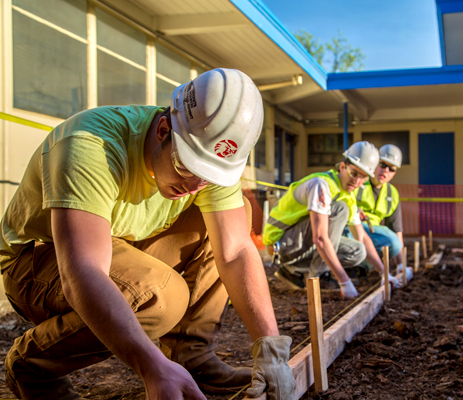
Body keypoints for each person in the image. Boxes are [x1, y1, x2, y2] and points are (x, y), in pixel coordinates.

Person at [0, 68, 295, 400]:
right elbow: (82, 271)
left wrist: (271, 350)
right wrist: (151, 367)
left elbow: (236, 251)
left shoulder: (205, 164)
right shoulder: (90, 145)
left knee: (228, 221)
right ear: (164, 128)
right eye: (188, 167)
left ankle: (190, 358)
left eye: (210, 176)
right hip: (38, 259)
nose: (194, 186)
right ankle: (33, 365)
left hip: (115, 245)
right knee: (159, 298)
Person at [262, 141, 401, 299]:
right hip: (281, 245)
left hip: (299, 243)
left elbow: (361, 237)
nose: (357, 181)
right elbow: (320, 238)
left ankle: (294, 273)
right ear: (343, 167)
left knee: (358, 251)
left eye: (363, 178)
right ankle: (316, 277)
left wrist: (384, 272)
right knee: (340, 209)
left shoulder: (348, 196)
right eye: (354, 173)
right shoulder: (320, 185)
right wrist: (344, 280)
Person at [355, 144, 404, 268]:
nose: (386, 171)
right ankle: (350, 267)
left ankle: (366, 267)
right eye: (382, 165)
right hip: (352, 228)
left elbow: (396, 230)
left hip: (374, 233)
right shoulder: (357, 181)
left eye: (391, 169)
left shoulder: (393, 194)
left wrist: (401, 265)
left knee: (393, 243)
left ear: (394, 173)